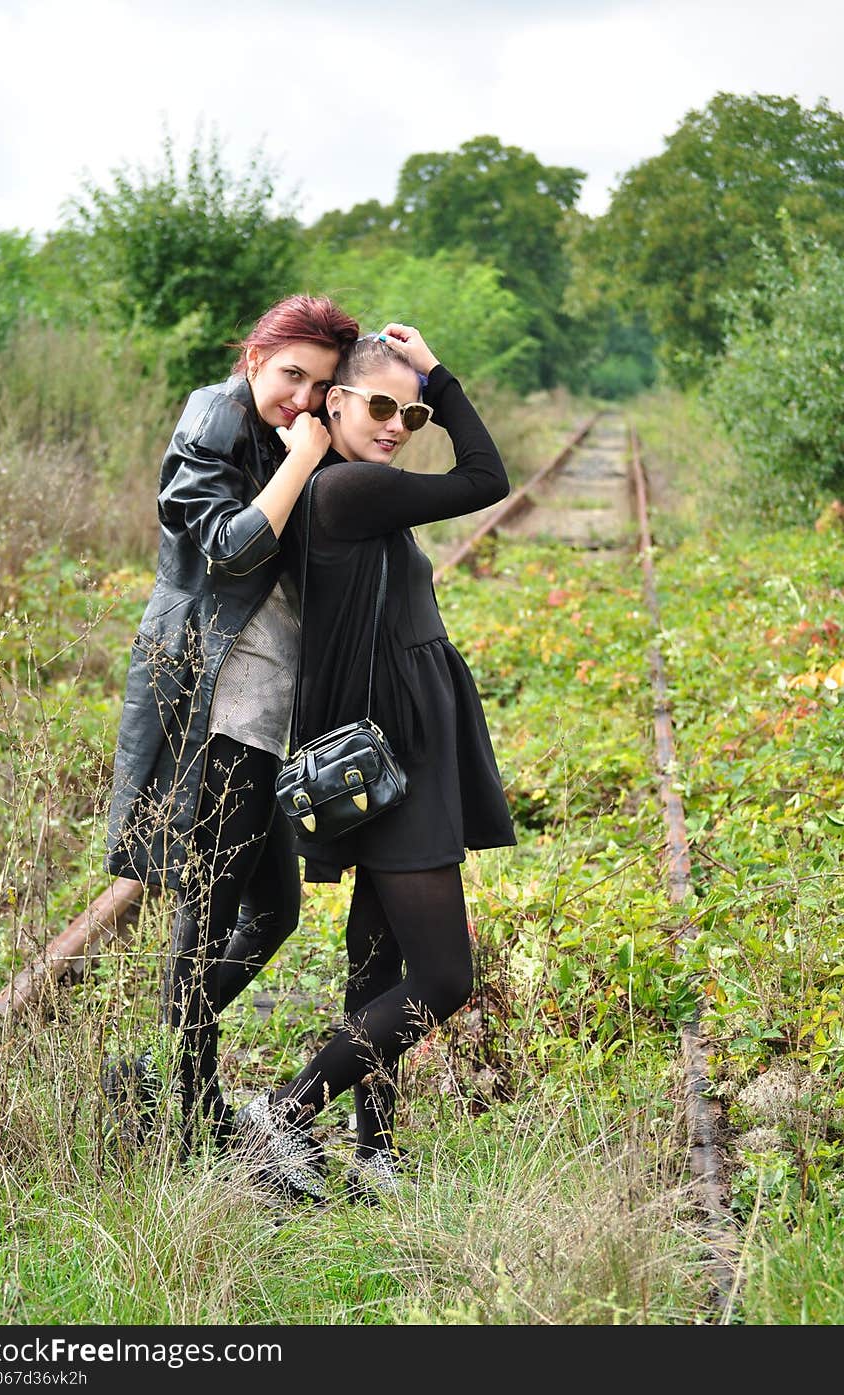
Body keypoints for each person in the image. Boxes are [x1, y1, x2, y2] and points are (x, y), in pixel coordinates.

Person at [235, 325, 517, 1202]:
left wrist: (425, 383)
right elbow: (487, 479)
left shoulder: (347, 489)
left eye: (416, 409)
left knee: (378, 955)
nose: (401, 423)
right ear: (337, 402)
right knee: (443, 977)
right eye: (384, 405)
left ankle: (375, 1153)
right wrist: (439, 367)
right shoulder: (351, 489)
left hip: (399, 745)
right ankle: (282, 1115)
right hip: (393, 752)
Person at [103, 294, 360, 1156]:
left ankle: (155, 1067)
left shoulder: (284, 428)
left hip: (264, 704)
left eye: (319, 385)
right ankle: (193, 1114)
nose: (301, 397)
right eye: (290, 374)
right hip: (215, 704)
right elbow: (231, 547)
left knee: (273, 911)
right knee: (209, 911)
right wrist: (307, 456)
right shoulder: (214, 423)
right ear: (253, 358)